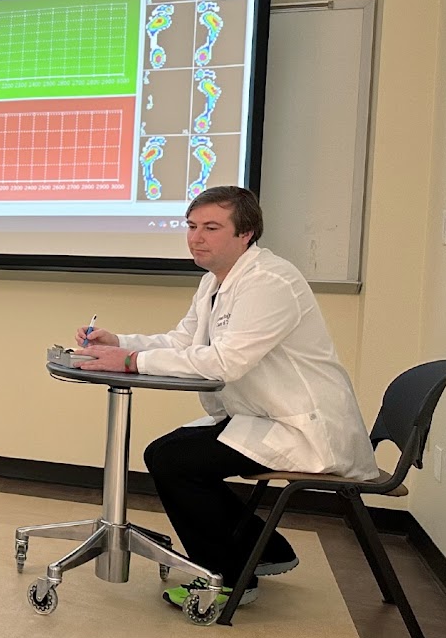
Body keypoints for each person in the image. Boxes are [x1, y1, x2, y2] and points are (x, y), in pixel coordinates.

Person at [74, 185, 377, 610]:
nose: (196, 238)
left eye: (211, 228)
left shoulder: (270, 282)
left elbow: (224, 363)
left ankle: (228, 578)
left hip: (303, 425)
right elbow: (183, 341)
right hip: (262, 417)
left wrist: (131, 361)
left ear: (245, 233)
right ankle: (264, 549)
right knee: (165, 452)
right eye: (191, 226)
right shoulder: (214, 282)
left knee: (175, 461)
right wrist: (121, 342)